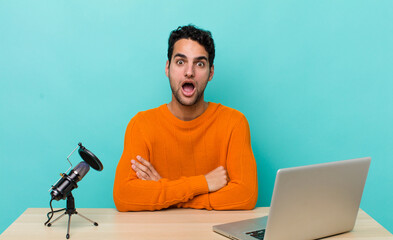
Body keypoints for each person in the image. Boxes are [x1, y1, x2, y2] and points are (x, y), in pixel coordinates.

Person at [113, 25, 258, 211]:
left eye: (200, 64)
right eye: (180, 62)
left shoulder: (234, 123)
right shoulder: (141, 125)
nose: (189, 72)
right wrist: (203, 183)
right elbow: (124, 196)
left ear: (211, 73)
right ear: (167, 68)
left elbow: (245, 196)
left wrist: (167, 192)